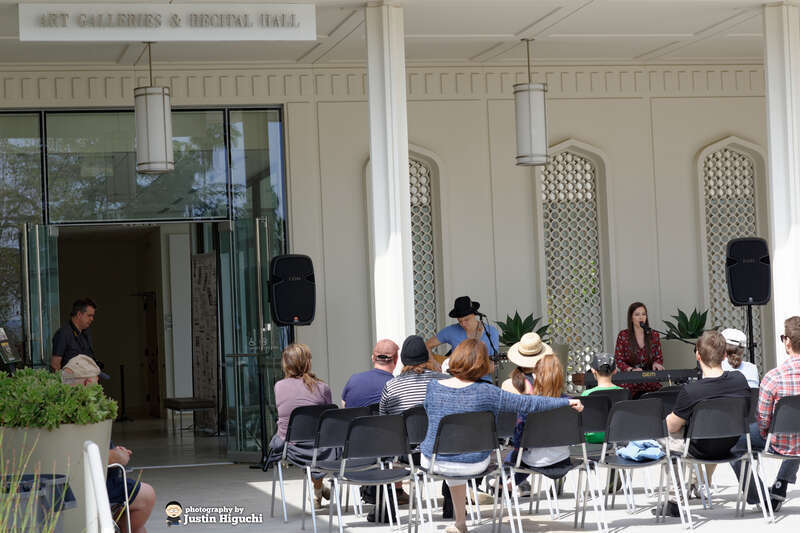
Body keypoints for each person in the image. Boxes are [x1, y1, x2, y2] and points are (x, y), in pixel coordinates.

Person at [420, 338, 583, 533]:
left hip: (435, 460)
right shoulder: (488, 392)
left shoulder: (433, 387)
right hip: (474, 462)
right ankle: (461, 522)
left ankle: (460, 523)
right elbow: (529, 404)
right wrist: (566, 402)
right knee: (462, 459)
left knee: (453, 461)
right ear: (481, 363)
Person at [653, 330, 750, 518]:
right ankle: (694, 486)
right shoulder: (740, 380)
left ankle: (675, 500)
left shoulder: (691, 391)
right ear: (724, 355)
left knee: (667, 433)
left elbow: (670, 427)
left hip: (699, 449)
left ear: (698, 355)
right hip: (732, 445)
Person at [62, 355, 155, 533]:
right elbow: (94, 455)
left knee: (139, 526)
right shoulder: (85, 412)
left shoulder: (61, 408)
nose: (100, 387)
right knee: (147, 496)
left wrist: (112, 451)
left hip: (72, 485)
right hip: (94, 485)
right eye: (97, 381)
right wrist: (120, 456)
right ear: (87, 383)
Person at [732, 316, 800, 512]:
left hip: (779, 441)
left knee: (731, 444)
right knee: (795, 431)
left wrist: (765, 434)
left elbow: (762, 420)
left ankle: (759, 496)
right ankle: (780, 485)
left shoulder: (773, 377)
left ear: (787, 341)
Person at [268, 343, 333, 507]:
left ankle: (317, 490)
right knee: (314, 447)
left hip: (289, 447)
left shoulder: (279, 386)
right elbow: (328, 419)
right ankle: (318, 490)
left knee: (302, 442)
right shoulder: (323, 388)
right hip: (319, 447)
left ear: (286, 364)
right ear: (308, 363)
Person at [427, 296, 500, 375]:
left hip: (482, 382)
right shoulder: (451, 330)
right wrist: (433, 362)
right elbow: (426, 346)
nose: (463, 324)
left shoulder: (491, 332)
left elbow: (494, 365)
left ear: (474, 314)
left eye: (466, 319)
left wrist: (473, 373)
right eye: (460, 321)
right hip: (455, 381)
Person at [379, 335, 446, 415]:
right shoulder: (448, 382)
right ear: (427, 357)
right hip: (440, 427)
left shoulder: (390, 387)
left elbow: (383, 418)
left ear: (403, 359)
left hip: (402, 427)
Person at [614, 301, 664, 398]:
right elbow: (619, 359)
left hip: (650, 381)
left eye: (643, 314)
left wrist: (656, 363)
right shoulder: (623, 335)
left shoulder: (653, 335)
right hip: (630, 382)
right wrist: (631, 370)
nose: (641, 317)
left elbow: (658, 357)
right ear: (631, 318)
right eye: (637, 314)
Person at [341, 339, 398, 408]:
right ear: (396, 360)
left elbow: (344, 406)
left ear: (373, 358)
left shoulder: (353, 379)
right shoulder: (396, 386)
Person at [580, 352, 622, 444]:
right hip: (617, 436)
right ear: (615, 370)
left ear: (593, 370)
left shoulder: (586, 393)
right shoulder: (624, 392)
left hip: (592, 439)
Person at [51, 298, 98, 372]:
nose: (92, 319)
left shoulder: (86, 333)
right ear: (79, 314)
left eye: (93, 316)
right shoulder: (63, 334)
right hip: (70, 382)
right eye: (89, 315)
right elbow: (55, 364)